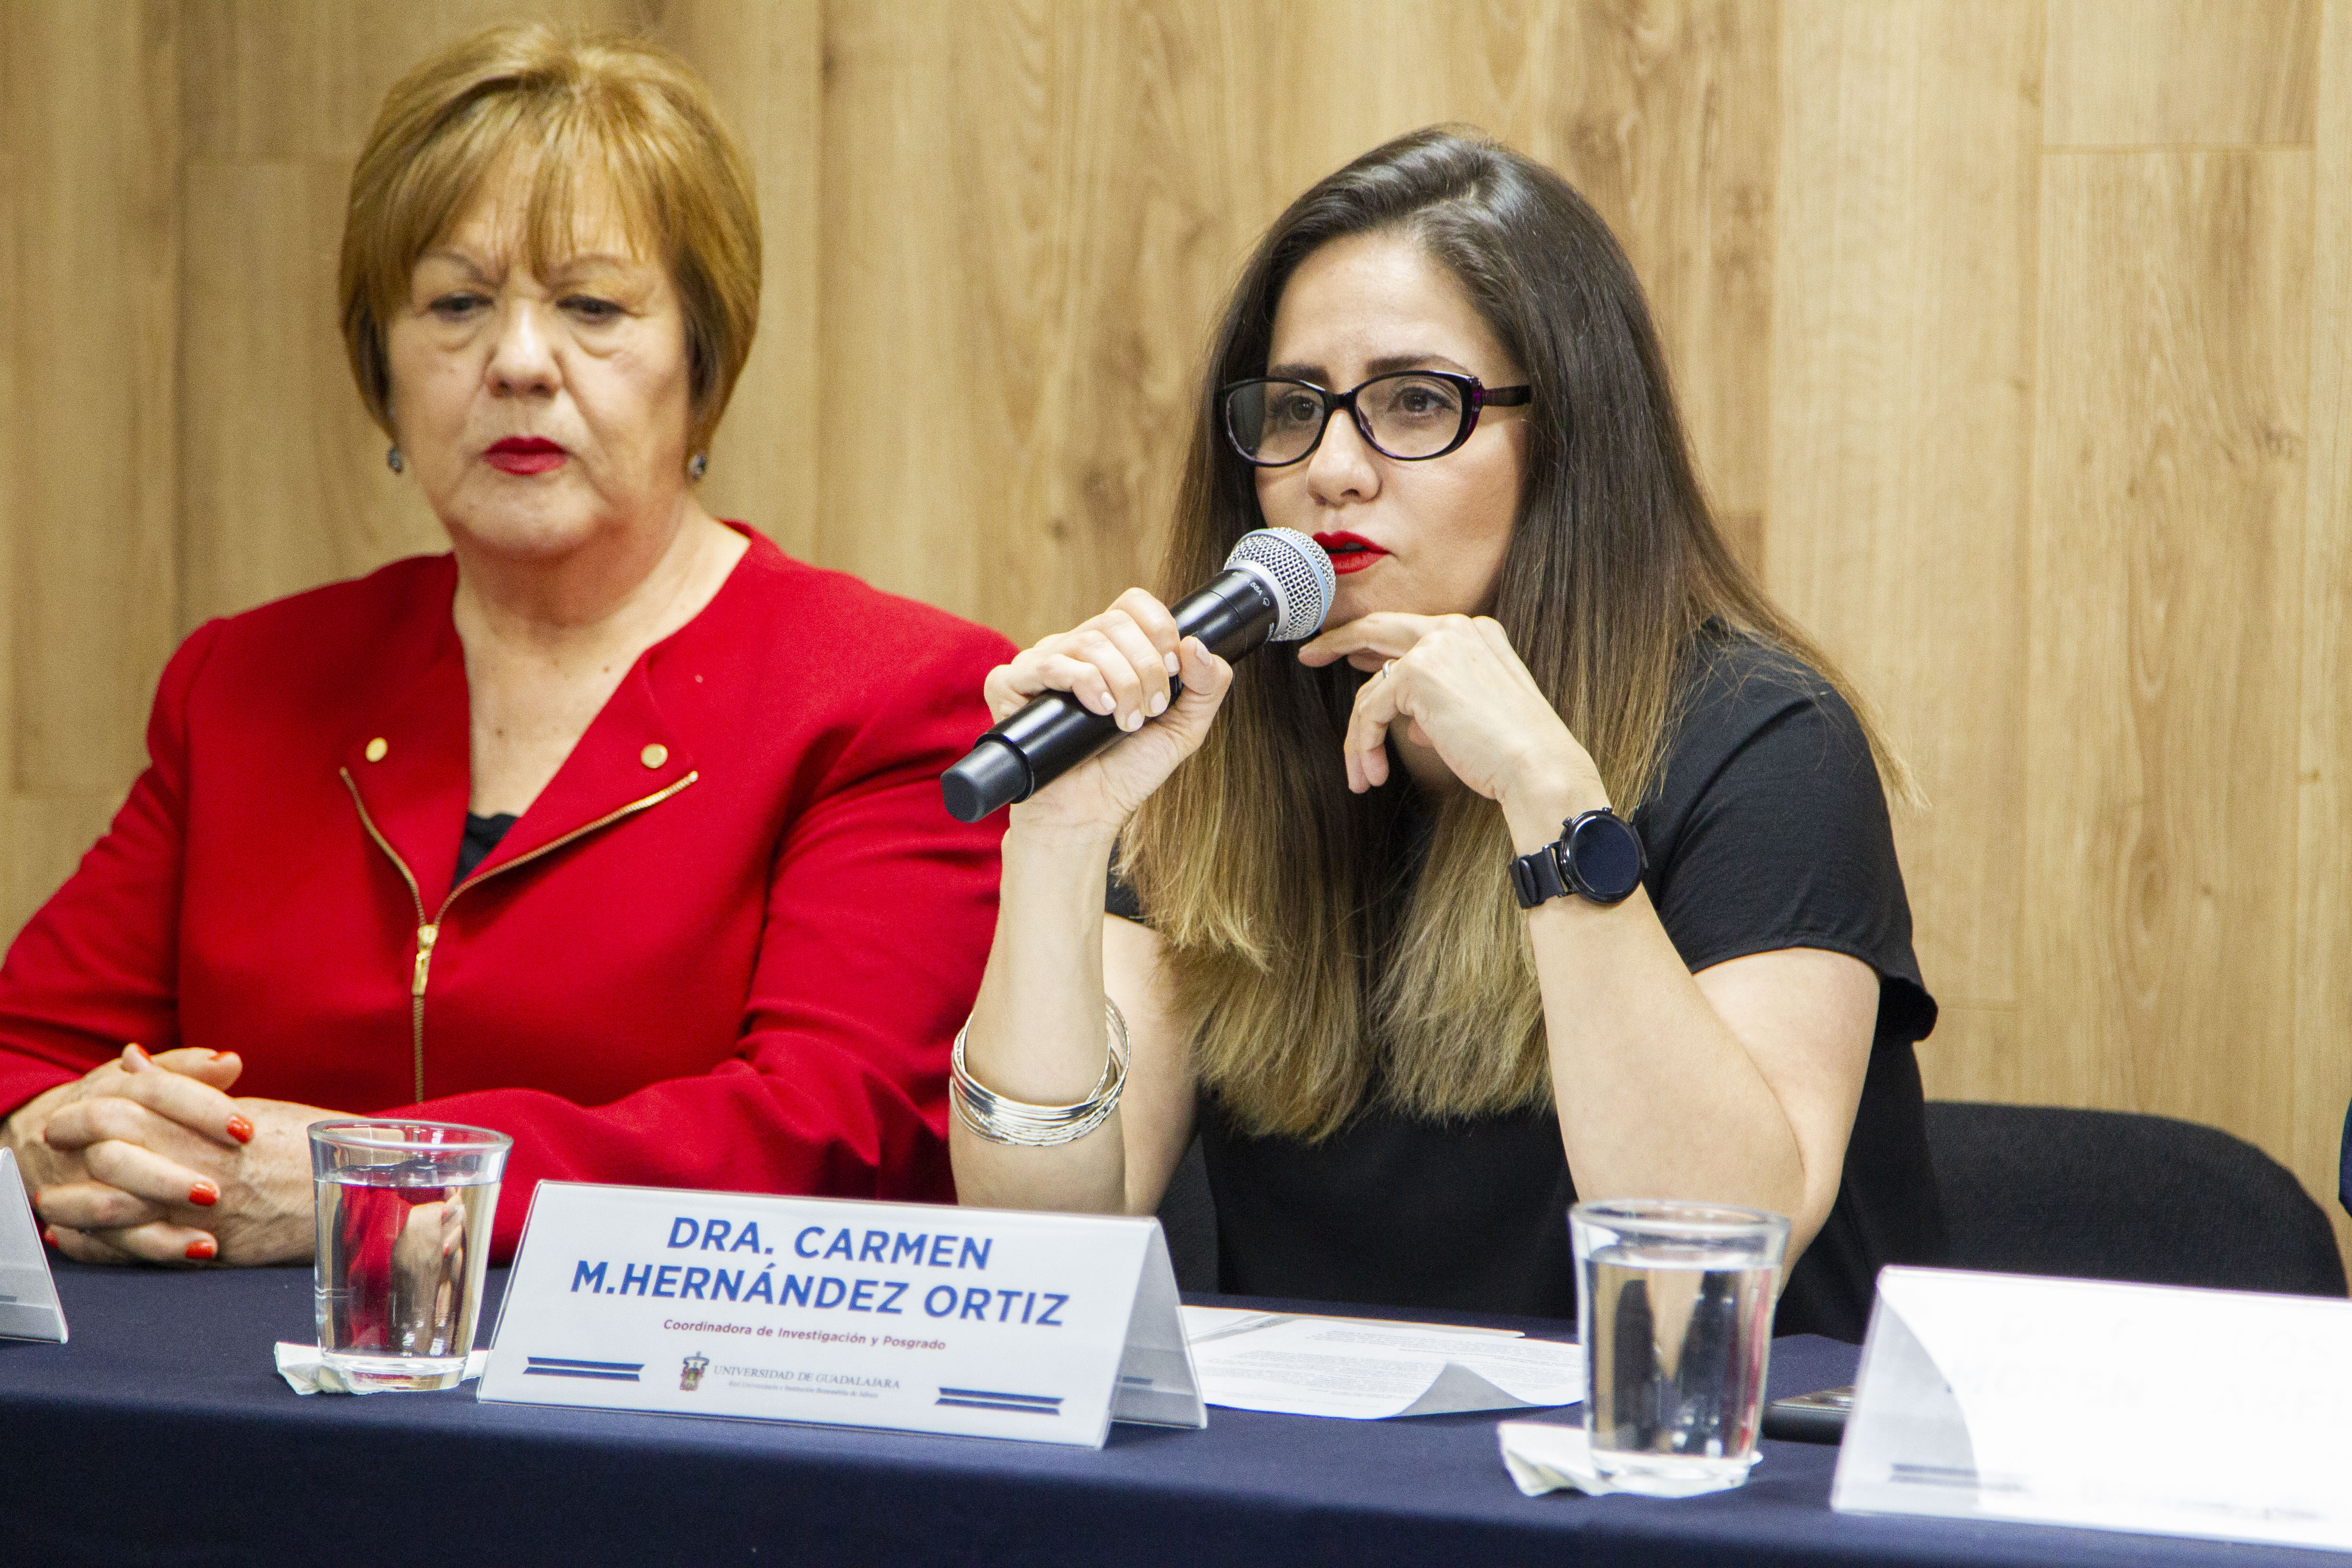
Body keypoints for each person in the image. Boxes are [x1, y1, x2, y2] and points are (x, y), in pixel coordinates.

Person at [0, 24, 1011, 1267]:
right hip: (238, 1414)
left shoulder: (891, 698)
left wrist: (365, 1186)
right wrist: (50, 1136)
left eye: (592, 306)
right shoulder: (244, 686)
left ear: (702, 361)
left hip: (668, 1427)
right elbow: (28, 1052)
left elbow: (832, 1135)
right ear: (382, 363)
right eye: (457, 304)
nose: (519, 363)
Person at [951, 127, 1942, 1342]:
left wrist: (1550, 794)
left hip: (1701, 1493)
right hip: (1324, 1498)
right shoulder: (1217, 741)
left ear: (1569, 443)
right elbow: (1042, 1252)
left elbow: (1709, 1263)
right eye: (1296, 409)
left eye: (1415, 403)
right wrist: (1055, 843)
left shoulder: (1763, 742)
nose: (1332, 470)